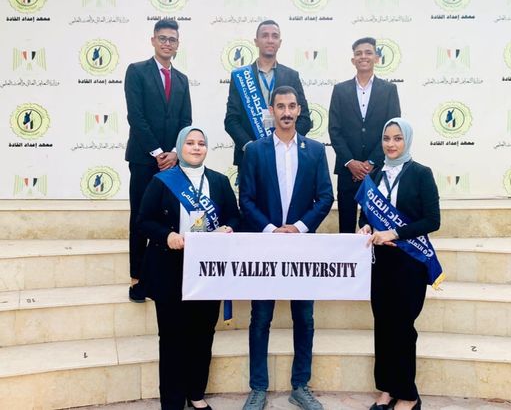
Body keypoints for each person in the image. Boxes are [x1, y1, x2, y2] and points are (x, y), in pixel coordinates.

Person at [239, 86, 334, 410]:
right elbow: (246, 199)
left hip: (301, 248)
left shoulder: (315, 150)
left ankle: (300, 386)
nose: (286, 112)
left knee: (304, 319)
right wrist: (271, 230)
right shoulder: (255, 150)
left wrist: (298, 227)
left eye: (292, 106)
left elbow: (325, 196)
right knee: (260, 319)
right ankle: (258, 389)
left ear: (299, 110)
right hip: (265, 247)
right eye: (280, 106)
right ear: (272, 111)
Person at [137, 126, 240, 410]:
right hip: (170, 267)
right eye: (190, 143)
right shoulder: (162, 181)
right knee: (172, 337)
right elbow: (143, 221)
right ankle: (172, 401)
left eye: (201, 143)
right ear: (180, 147)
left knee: (203, 334)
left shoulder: (219, 181)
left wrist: (228, 228)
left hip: (207, 269)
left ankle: (196, 393)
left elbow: (234, 216)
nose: (196, 148)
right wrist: (167, 235)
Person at [357, 118, 441, 410]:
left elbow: (432, 220)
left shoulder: (421, 174)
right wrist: (366, 227)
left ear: (407, 140)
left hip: (410, 262)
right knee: (383, 325)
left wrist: (394, 232)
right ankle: (386, 389)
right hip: (381, 263)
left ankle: (408, 394)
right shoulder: (376, 174)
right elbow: (366, 214)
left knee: (403, 328)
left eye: (397, 138)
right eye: (386, 138)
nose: (391, 144)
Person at [124, 19, 192, 302]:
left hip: (173, 162)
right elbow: (136, 116)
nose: (167, 43)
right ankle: (137, 279)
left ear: (177, 45)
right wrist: (157, 152)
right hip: (144, 159)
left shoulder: (182, 80)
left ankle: (160, 277)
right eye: (162, 38)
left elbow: (186, 121)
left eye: (172, 39)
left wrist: (175, 152)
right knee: (141, 217)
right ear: (153, 40)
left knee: (166, 219)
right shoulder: (137, 71)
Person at [328, 37, 401, 234]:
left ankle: (374, 254)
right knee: (346, 224)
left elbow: (392, 130)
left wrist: (371, 162)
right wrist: (350, 162)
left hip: (377, 169)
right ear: (353, 60)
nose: (363, 57)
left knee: (374, 223)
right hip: (347, 170)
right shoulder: (340, 90)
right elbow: (334, 130)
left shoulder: (389, 90)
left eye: (368, 52)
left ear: (376, 58)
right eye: (358, 53)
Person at [224, 20, 312, 170]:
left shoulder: (291, 76)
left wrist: (285, 143)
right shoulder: (240, 76)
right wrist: (251, 148)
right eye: (265, 36)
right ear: (256, 41)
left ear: (280, 42)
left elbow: (304, 119)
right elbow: (231, 120)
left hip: (286, 157)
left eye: (274, 36)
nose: (270, 40)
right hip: (249, 158)